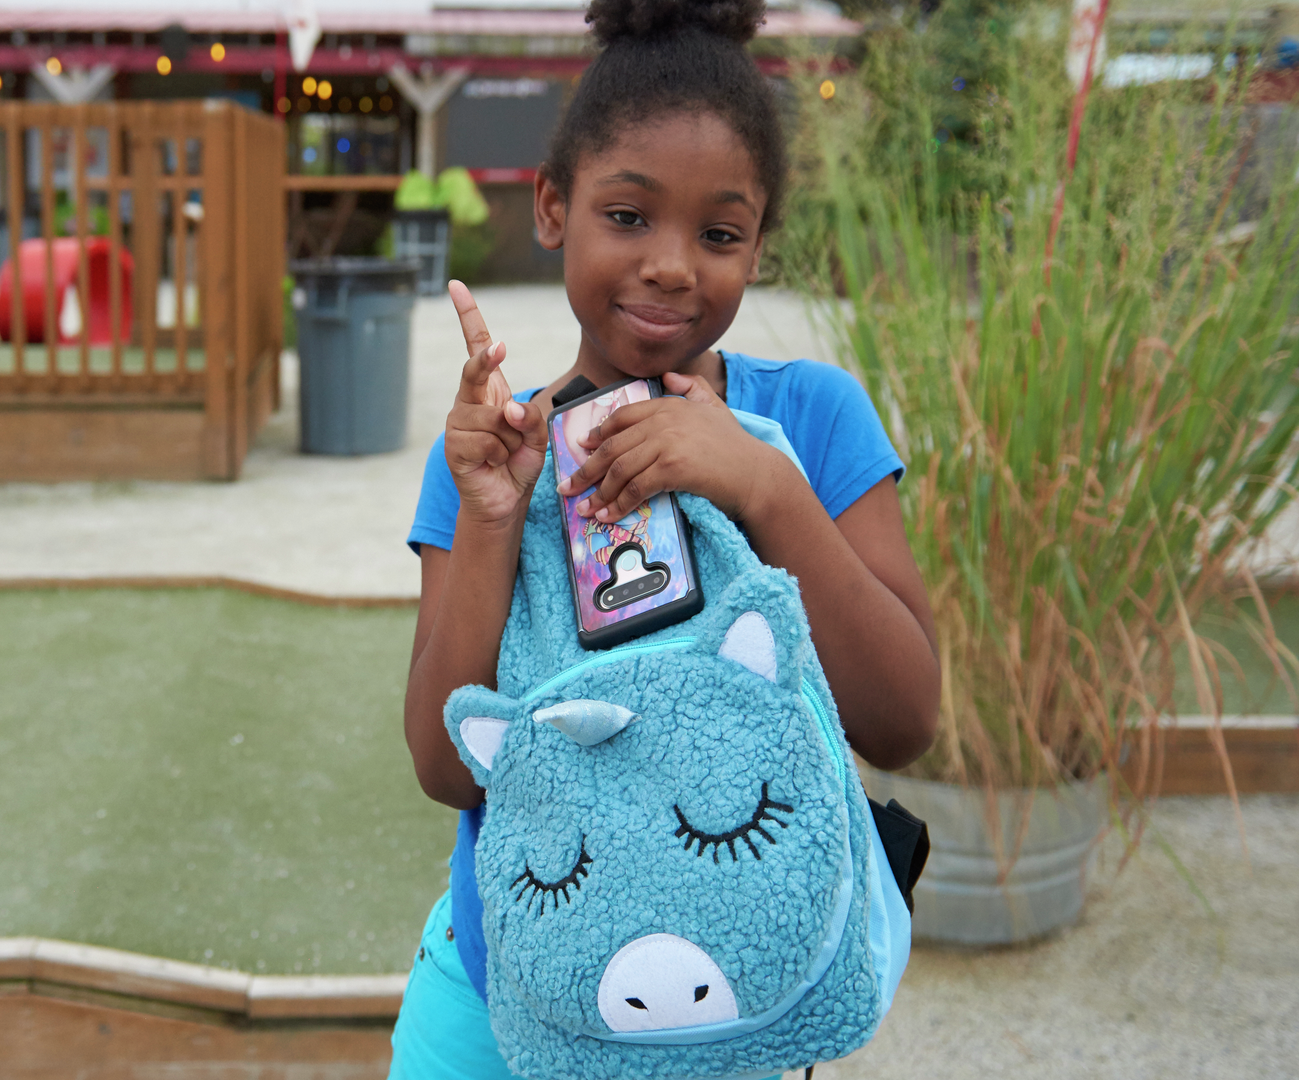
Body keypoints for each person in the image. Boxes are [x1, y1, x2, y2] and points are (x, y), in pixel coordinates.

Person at [390, 0, 942, 1075]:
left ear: (759, 245)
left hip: (719, 1019)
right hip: (505, 998)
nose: (674, 265)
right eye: (629, 216)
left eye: (720, 233)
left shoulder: (813, 423)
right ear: (553, 206)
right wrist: (498, 519)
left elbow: (905, 717)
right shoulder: (491, 456)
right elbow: (446, 769)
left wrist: (764, 488)